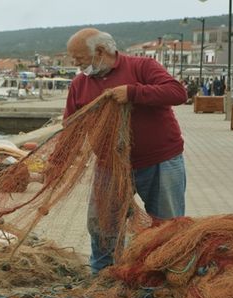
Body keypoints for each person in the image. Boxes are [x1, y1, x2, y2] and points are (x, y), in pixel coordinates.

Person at [64, 28, 187, 274]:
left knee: (166, 224)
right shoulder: (80, 84)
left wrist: (133, 92)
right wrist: (58, 162)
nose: (76, 65)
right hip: (109, 165)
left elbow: (178, 93)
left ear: (100, 52)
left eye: (80, 58)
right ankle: (103, 275)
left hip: (159, 160)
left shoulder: (143, 67)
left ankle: (165, 274)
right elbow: (70, 125)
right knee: (102, 225)